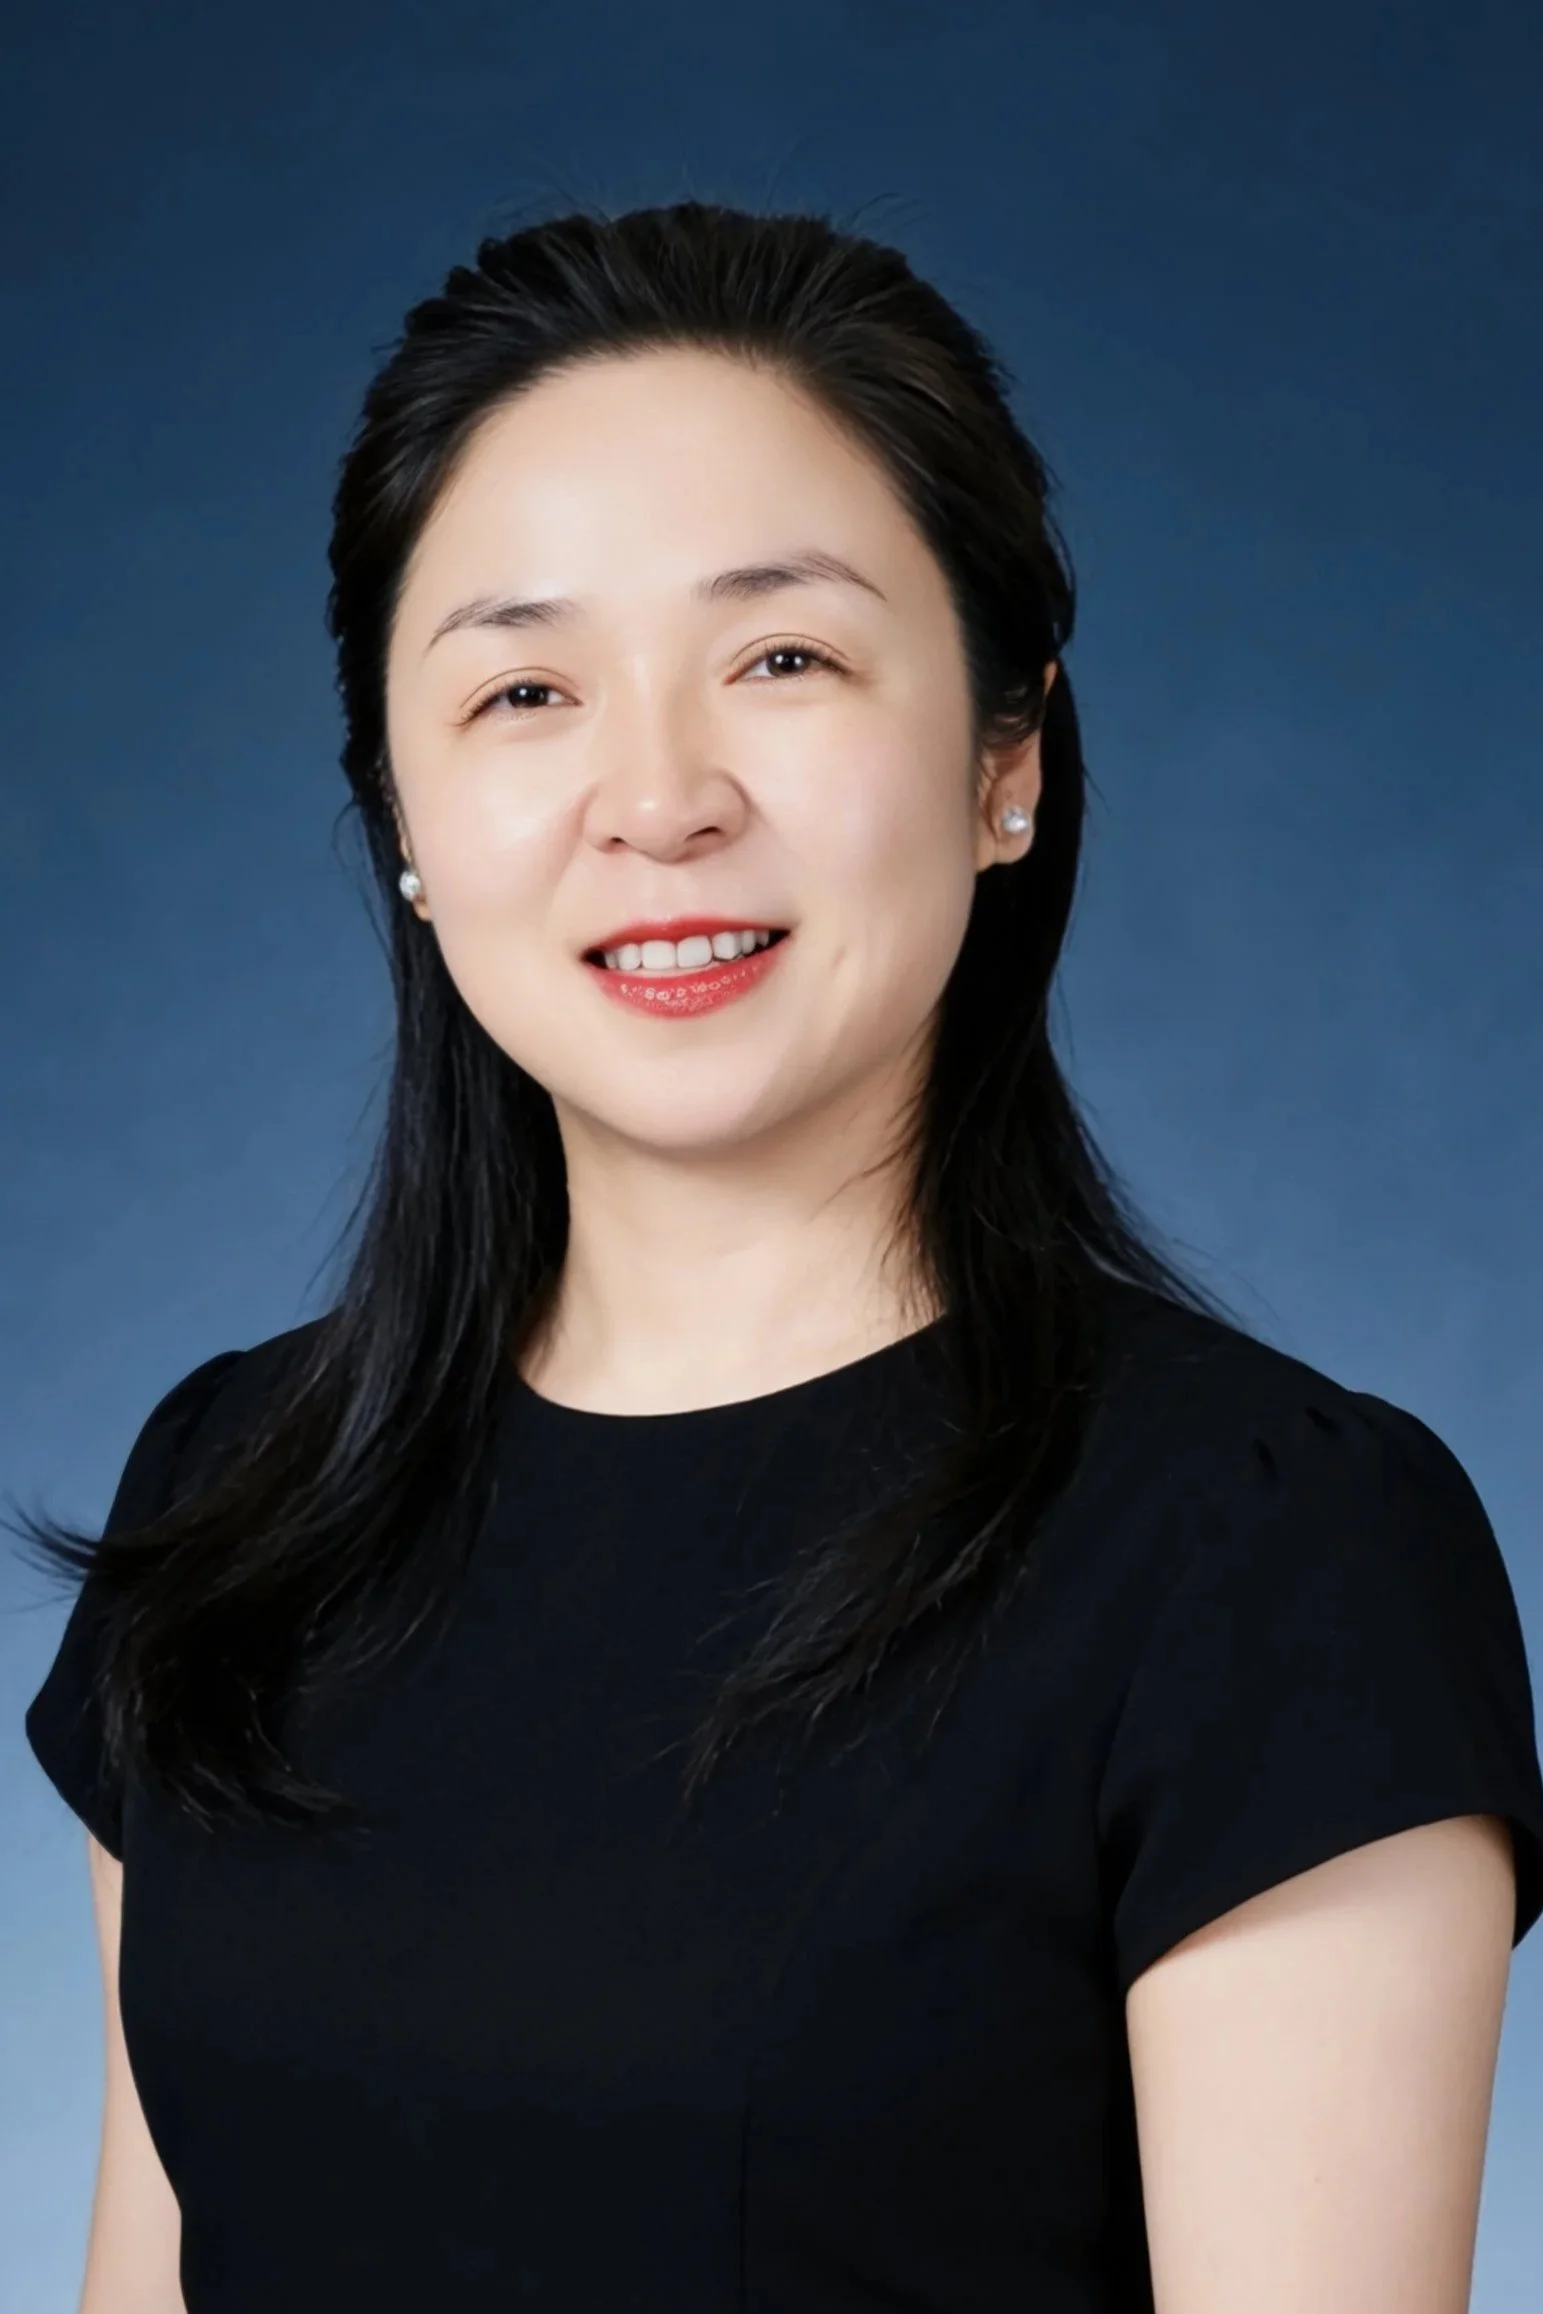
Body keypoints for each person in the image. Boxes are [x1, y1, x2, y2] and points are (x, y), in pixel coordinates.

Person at [18, 199, 1543, 2314]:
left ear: (1006, 760)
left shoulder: (1272, 1559)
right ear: (404, 823)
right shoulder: (242, 1495)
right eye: (526, 686)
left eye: (785, 658)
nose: (658, 798)